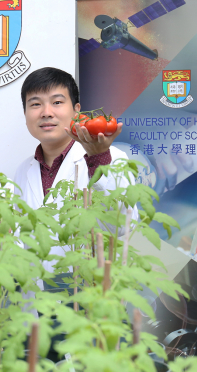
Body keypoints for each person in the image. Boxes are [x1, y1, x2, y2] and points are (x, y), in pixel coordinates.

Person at [13, 67, 134, 273]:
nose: (46, 113)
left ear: (77, 110)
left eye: (57, 102)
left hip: (87, 294)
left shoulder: (113, 158)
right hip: (34, 298)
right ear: (25, 113)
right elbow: (19, 240)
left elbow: (119, 225)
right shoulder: (24, 170)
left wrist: (98, 159)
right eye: (35, 104)